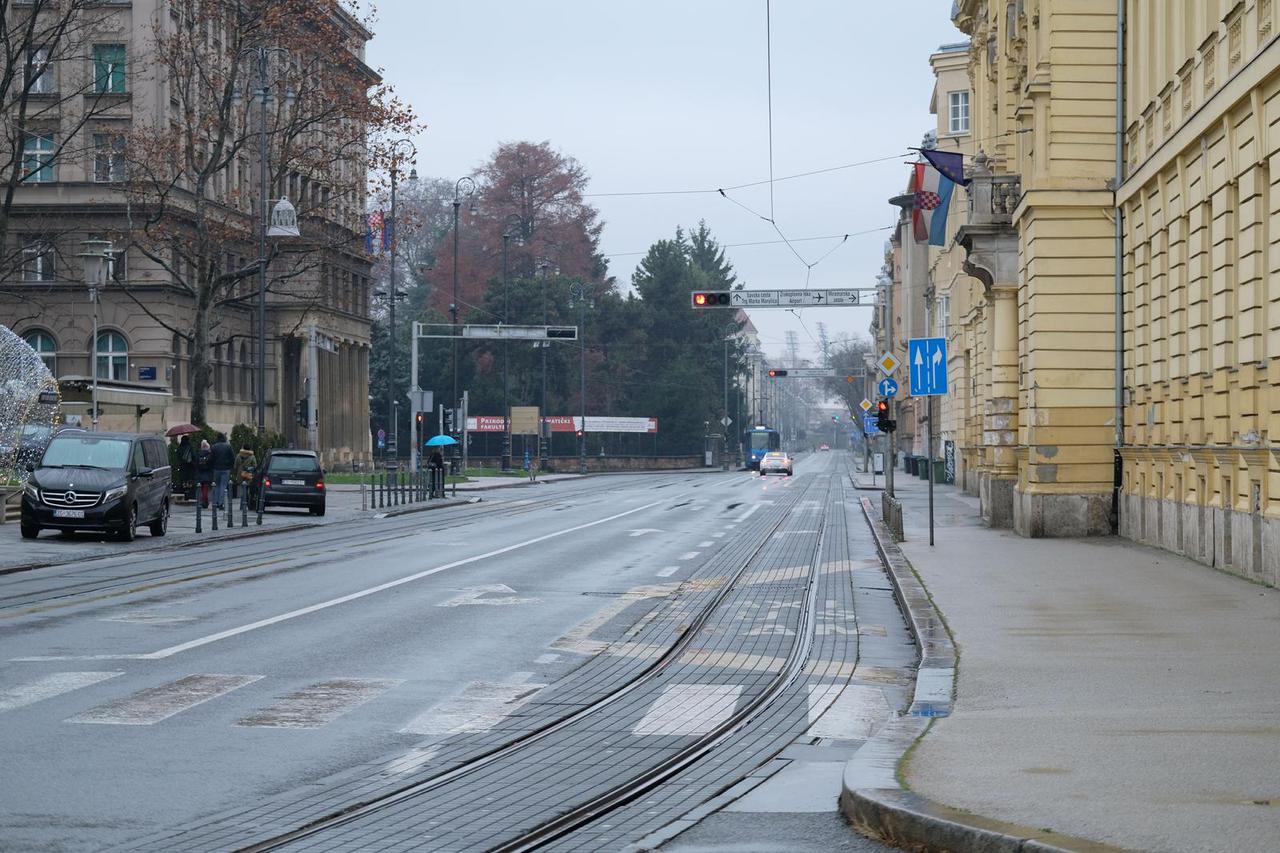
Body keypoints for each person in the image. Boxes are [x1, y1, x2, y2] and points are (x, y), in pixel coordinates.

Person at [210, 432, 235, 510]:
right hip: (226, 468)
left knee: (217, 486)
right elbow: (232, 457)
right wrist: (230, 465)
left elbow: (211, 458)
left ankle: (216, 502)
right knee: (223, 486)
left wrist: (213, 465)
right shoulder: (228, 446)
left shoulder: (214, 447)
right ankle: (221, 502)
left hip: (216, 468)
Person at [177, 435, 195, 501]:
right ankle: (189, 493)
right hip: (189, 466)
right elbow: (193, 456)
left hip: (182, 467)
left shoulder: (179, 448)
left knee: (183, 480)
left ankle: (184, 492)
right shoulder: (189, 447)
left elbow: (178, 457)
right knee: (189, 481)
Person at [197, 439, 213, 508]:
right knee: (206, 488)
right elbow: (211, 464)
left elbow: (196, 464)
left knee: (201, 488)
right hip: (208, 473)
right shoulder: (209, 455)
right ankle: (205, 501)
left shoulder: (199, 454)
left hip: (200, 473)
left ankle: (201, 500)